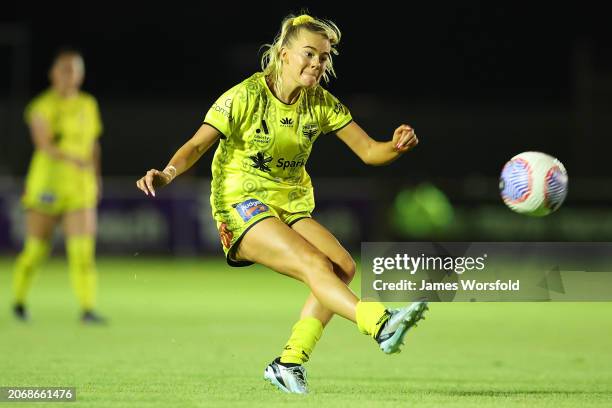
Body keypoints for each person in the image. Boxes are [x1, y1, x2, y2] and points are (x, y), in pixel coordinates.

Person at [136, 13, 427, 393]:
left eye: (323, 57)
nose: (317, 63)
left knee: (341, 266)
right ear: (283, 54)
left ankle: (288, 363)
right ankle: (379, 323)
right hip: (241, 202)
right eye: (309, 53)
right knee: (314, 264)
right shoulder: (245, 96)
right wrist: (168, 173)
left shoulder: (319, 103)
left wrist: (396, 145)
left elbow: (370, 151)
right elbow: (196, 145)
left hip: (288, 205)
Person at [12, 48, 106, 324]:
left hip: (80, 189)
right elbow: (44, 145)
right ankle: (18, 301)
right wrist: (76, 160)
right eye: (64, 69)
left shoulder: (89, 104)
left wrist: (96, 178)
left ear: (82, 74)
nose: (70, 75)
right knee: (35, 251)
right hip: (47, 186)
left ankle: (88, 309)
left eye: (75, 69)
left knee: (82, 253)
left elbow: (93, 145)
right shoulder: (41, 107)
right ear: (53, 74)